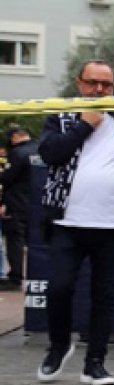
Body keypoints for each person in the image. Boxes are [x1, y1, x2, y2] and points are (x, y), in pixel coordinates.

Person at [36, 59, 114, 385]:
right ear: (79, 84)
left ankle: (95, 363)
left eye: (106, 85)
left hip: (113, 224)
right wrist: (84, 125)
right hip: (67, 221)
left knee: (104, 295)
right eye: (93, 83)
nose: (100, 90)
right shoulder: (61, 116)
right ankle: (59, 346)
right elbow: (50, 155)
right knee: (60, 287)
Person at [0, 124, 36, 291]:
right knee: (36, 242)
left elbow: (7, 178)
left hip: (17, 204)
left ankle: (15, 278)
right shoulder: (40, 148)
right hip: (36, 203)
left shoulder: (17, 153)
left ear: (15, 137)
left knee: (15, 241)